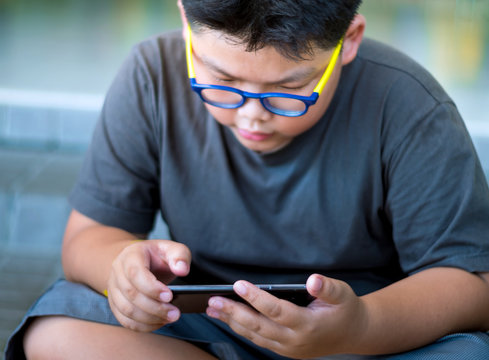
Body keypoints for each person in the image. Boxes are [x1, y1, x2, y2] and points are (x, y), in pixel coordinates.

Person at [6, 0, 489, 359]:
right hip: (208, 327)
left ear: (350, 40)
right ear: (185, 24)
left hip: (366, 337)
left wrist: (361, 325)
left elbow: (474, 285)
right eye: (221, 80)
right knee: (53, 333)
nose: (252, 116)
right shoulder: (151, 76)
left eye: (290, 88)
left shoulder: (407, 105)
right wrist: (123, 270)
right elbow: (86, 238)